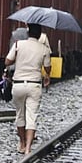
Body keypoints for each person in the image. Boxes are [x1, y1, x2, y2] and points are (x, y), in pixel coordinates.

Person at [5, 23, 51, 155]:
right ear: (39, 34)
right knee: (32, 117)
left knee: (20, 115)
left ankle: (22, 143)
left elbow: (7, 61)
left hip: (18, 84)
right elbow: (47, 67)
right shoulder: (44, 49)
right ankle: (28, 148)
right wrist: (47, 76)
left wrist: (19, 59)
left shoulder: (18, 45)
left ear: (28, 33)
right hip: (34, 85)